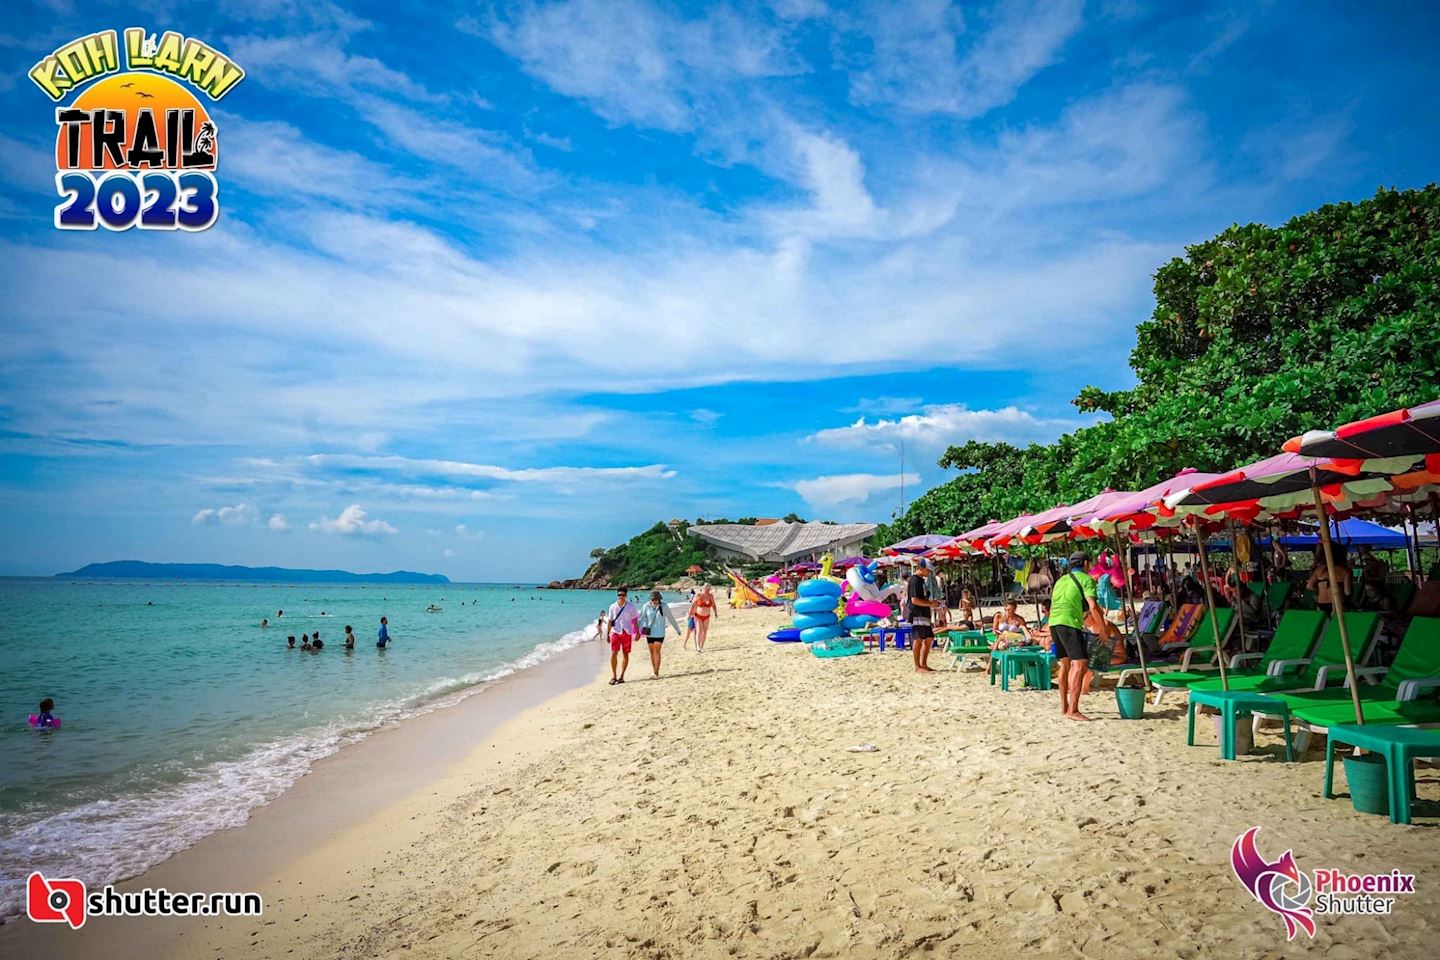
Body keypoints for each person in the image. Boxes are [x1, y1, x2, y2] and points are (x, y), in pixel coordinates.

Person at [1051, 550, 1103, 721]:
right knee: (1080, 665)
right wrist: (1102, 628)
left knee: (1065, 664)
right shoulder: (1086, 579)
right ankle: (1073, 710)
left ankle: (1064, 707)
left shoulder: (1060, 580)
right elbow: (1093, 606)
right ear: (1086, 564)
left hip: (1054, 622)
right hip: (1069, 623)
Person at [638, 591, 684, 678]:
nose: (655, 601)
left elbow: (671, 618)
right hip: (650, 633)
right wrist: (637, 631)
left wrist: (677, 629)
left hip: (660, 633)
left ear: (659, 599)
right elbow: (642, 618)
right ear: (651, 599)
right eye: (653, 599)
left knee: (657, 651)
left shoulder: (664, 606)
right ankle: (654, 670)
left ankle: (656, 672)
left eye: (657, 599)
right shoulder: (646, 606)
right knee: (651, 652)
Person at [906, 558, 939, 672]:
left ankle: (923, 664)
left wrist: (932, 603)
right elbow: (914, 600)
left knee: (929, 638)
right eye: (928, 570)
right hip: (917, 613)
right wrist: (930, 603)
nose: (929, 572)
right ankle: (917, 666)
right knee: (918, 639)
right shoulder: (914, 580)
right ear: (921, 568)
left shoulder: (921, 580)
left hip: (924, 612)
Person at [605, 587, 641, 684]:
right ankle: (614, 676)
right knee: (614, 653)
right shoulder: (612, 606)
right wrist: (607, 634)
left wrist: (638, 632)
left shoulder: (631, 606)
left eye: (622, 595)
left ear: (626, 595)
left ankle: (621, 676)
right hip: (615, 632)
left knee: (625, 654)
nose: (620, 597)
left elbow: (634, 620)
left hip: (627, 632)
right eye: (619, 595)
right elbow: (610, 620)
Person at [1307, 544, 1352, 615]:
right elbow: (1347, 592)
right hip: (1338, 604)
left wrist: (1320, 588)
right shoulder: (1345, 572)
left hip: (1322, 602)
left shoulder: (1319, 570)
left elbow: (1309, 586)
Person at [688, 585, 720, 652]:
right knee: (699, 631)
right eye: (706, 588)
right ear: (703, 588)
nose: (708, 590)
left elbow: (713, 605)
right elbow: (693, 605)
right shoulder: (698, 595)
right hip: (698, 616)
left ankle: (702, 646)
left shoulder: (711, 596)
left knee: (704, 631)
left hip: (707, 616)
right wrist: (689, 614)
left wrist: (715, 613)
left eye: (709, 589)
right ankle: (698, 647)